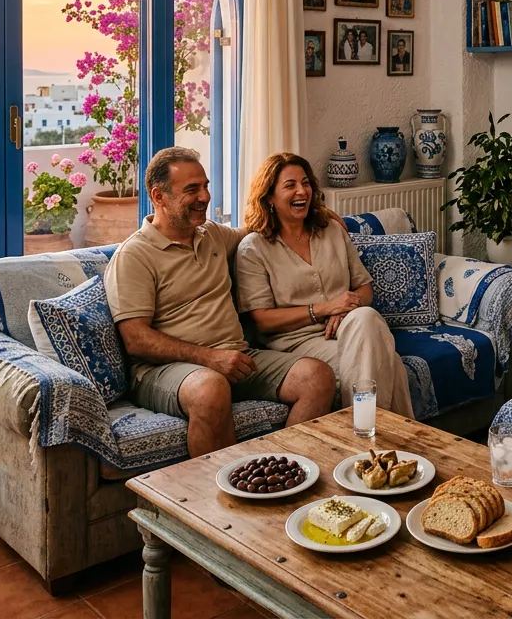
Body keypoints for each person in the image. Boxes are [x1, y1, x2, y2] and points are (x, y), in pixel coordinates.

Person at [104, 147, 337, 458]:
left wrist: (319, 215)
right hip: (166, 371)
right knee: (210, 388)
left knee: (317, 377)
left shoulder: (211, 234)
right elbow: (136, 339)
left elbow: (259, 229)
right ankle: (222, 489)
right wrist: (210, 358)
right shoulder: (134, 255)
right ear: (159, 196)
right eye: (192, 189)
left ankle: (282, 473)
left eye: (206, 186)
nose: (205, 196)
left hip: (237, 357)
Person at [235, 153, 414, 417]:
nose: (302, 191)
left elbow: (364, 287)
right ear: (269, 197)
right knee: (391, 362)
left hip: (351, 327)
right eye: (290, 185)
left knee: (365, 316)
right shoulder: (253, 248)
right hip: (296, 343)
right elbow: (263, 320)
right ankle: (378, 434)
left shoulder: (331, 229)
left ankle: (365, 431)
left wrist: (345, 308)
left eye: (306, 183)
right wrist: (325, 308)